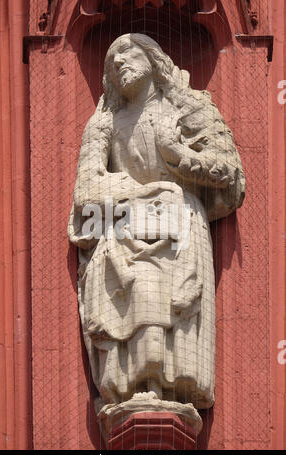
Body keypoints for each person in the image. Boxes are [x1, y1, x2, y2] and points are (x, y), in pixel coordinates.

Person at [68, 33, 245, 411]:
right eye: (110, 59)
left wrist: (176, 154)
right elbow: (86, 190)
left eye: (126, 51)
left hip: (180, 227)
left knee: (173, 307)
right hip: (124, 228)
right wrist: (142, 191)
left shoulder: (188, 108)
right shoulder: (104, 125)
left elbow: (230, 173)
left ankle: (174, 392)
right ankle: (131, 393)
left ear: (152, 57)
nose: (117, 62)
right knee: (141, 298)